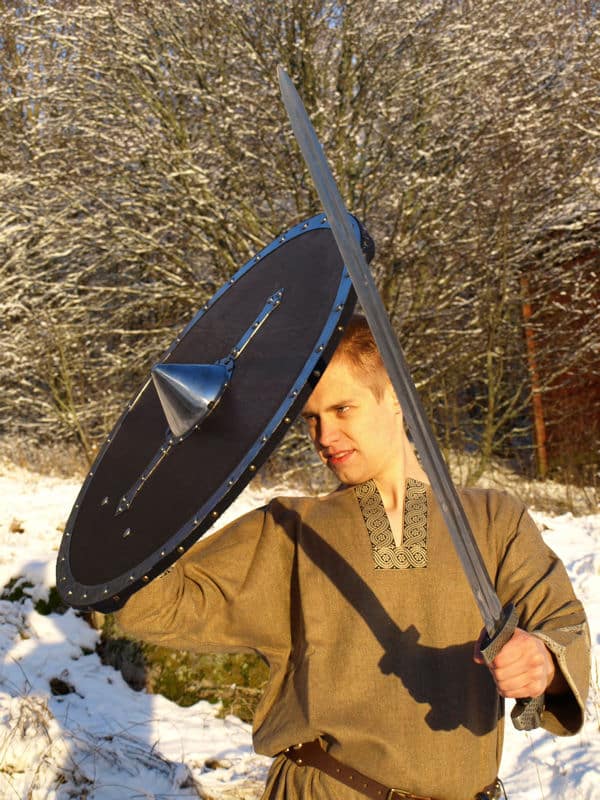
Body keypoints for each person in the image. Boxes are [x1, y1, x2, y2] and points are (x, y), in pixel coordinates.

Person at [115, 315, 590, 800]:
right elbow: (154, 603)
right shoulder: (291, 530)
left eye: (343, 409)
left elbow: (563, 624)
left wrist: (543, 661)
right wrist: (158, 474)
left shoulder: (493, 519)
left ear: (396, 396)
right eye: (313, 418)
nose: (324, 436)